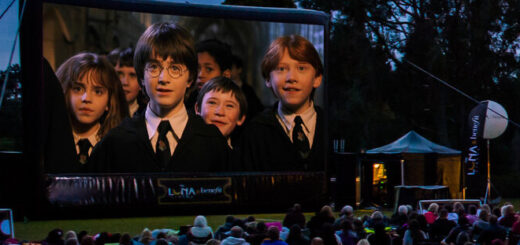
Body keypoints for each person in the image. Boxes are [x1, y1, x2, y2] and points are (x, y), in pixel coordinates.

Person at [90, 22, 230, 173]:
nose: (164, 78)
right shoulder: (116, 142)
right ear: (142, 76)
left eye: (175, 68)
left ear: (190, 78)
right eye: (154, 67)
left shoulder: (211, 142)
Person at [238, 35, 325, 171]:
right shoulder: (254, 133)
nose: (291, 78)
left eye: (301, 68)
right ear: (268, 79)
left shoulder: (333, 128)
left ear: (317, 78)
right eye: (281, 69)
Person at [56, 52, 129, 172]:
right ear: (65, 93)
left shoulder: (119, 147)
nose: (86, 98)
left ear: (109, 101)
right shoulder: (50, 145)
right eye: (78, 89)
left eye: (98, 91)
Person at [195, 77, 247, 148]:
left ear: (240, 118)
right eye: (212, 103)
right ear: (198, 109)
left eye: (229, 106)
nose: (220, 112)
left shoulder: (240, 157)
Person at [185, 39, 232, 113]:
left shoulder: (234, 106)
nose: (200, 75)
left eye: (209, 69)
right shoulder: (186, 104)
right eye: (197, 68)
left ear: (226, 75)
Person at [109, 47, 147, 117]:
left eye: (132, 75)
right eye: (119, 74)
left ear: (142, 82)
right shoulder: (100, 113)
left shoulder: (147, 116)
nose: (125, 82)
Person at [229, 54, 264, 122]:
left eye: (231, 68)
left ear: (239, 70)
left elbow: (257, 109)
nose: (229, 71)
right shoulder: (224, 89)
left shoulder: (248, 90)